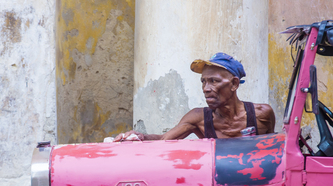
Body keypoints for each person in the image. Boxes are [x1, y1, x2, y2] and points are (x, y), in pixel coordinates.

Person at [114, 52, 275, 141]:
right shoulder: (198, 118)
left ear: (234, 84)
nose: (206, 88)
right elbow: (164, 139)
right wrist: (140, 136)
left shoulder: (262, 114)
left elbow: (273, 151)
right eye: (203, 82)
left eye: (214, 81)